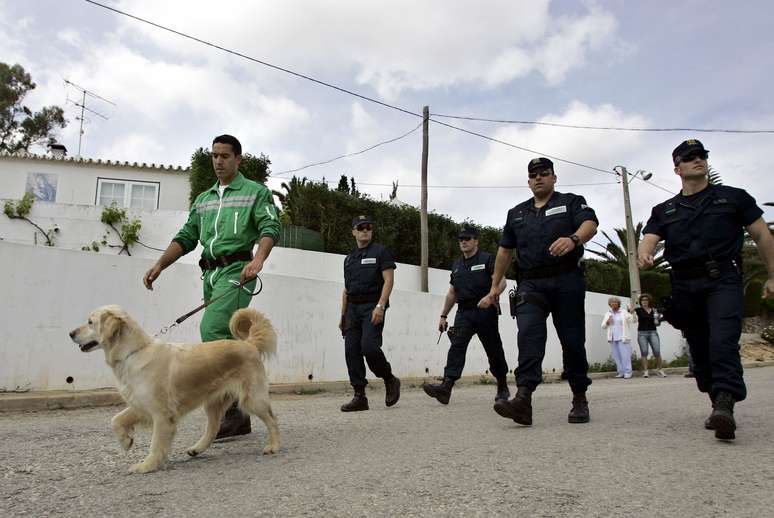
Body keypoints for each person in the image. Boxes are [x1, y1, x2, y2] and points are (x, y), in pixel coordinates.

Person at [142, 134, 280, 439]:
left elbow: (271, 227)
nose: (218, 161)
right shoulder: (203, 200)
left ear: (238, 159)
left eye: (225, 156)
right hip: (210, 275)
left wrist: (258, 260)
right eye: (214, 155)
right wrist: (160, 265)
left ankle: (232, 414)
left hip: (237, 271)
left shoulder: (254, 192)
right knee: (221, 343)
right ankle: (240, 408)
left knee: (212, 331)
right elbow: (187, 236)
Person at [639, 139, 774, 441]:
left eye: (701, 156)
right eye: (689, 158)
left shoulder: (733, 198)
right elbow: (649, 237)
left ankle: (726, 403)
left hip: (723, 279)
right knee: (700, 351)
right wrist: (644, 253)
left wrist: (772, 276)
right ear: (677, 168)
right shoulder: (665, 209)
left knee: (723, 341)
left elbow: (763, 235)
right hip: (685, 285)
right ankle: (717, 401)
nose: (697, 160)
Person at [483, 157, 599, 426]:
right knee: (529, 336)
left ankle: (579, 397)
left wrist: (573, 239)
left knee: (572, 341)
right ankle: (523, 399)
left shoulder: (570, 202)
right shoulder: (517, 213)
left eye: (544, 173)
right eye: (533, 175)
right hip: (531, 284)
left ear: (554, 177)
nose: (538, 178)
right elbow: (504, 251)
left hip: (566, 280)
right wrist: (494, 288)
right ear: (528, 181)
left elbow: (590, 224)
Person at [423, 224, 510, 405]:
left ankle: (502, 385)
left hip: (485, 310)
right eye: (460, 239)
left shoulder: (487, 259)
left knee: (493, 349)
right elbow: (453, 292)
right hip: (464, 311)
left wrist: (490, 296)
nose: (463, 242)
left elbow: (502, 282)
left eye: (467, 239)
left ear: (476, 241)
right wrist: (443, 316)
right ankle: (446, 387)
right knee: (457, 346)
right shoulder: (457, 265)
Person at [339, 215, 401, 412]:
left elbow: (389, 280)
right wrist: (342, 316)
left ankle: (389, 379)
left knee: (370, 348)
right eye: (361, 227)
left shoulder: (381, 252)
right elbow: (346, 290)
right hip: (352, 310)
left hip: (372, 307)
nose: (365, 230)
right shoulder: (349, 259)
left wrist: (380, 306)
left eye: (368, 227)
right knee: (351, 351)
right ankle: (360, 396)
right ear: (354, 231)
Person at [632, 293, 666, 378]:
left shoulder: (654, 310)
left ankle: (660, 370)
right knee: (644, 352)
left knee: (657, 351)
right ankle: (646, 371)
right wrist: (632, 307)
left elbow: (658, 322)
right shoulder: (638, 310)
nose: (644, 302)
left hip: (653, 332)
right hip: (642, 333)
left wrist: (658, 320)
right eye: (642, 300)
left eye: (646, 300)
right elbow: (631, 312)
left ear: (649, 301)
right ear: (640, 302)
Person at [601, 297, 634, 379]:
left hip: (623, 337)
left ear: (618, 304)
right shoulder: (608, 313)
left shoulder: (623, 312)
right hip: (612, 338)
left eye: (615, 302)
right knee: (616, 356)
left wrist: (632, 312)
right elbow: (603, 326)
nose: (613, 304)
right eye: (612, 302)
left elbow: (632, 320)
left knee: (625, 355)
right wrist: (607, 322)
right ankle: (621, 372)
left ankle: (628, 372)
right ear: (610, 304)